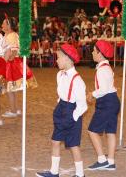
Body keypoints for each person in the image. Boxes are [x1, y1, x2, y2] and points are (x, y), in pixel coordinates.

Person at [37, 44, 87, 177]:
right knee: (55, 141)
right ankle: (54, 172)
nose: (56, 60)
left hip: (72, 111)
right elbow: (61, 94)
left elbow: (83, 105)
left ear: (68, 59)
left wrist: (73, 117)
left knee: (73, 144)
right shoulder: (59, 75)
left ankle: (80, 174)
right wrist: (60, 105)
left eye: (58, 57)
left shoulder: (78, 81)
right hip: (61, 109)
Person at [87, 40, 120, 171]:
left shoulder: (102, 69)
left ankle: (102, 159)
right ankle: (110, 161)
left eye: (94, 50)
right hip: (112, 100)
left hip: (106, 102)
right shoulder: (106, 67)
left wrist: (91, 94)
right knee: (110, 132)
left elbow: (103, 89)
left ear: (100, 53)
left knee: (92, 131)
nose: (92, 52)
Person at [2, 15, 37, 118]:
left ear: (9, 25)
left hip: (11, 63)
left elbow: (14, 50)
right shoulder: (11, 35)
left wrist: (8, 60)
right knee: (12, 88)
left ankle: (13, 110)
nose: (2, 25)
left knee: (10, 88)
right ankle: (15, 109)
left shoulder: (11, 36)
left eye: (4, 23)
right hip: (14, 62)